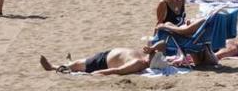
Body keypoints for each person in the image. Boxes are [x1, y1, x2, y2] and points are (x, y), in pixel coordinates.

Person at [39, 41, 167, 76]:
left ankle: (52, 67)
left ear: (151, 61)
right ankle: (69, 62)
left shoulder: (138, 63)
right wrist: (152, 48)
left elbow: (116, 71)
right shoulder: (147, 55)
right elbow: (163, 44)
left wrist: (94, 74)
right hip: (106, 55)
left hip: (102, 63)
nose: (154, 52)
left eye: (154, 54)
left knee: (76, 66)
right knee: (78, 63)